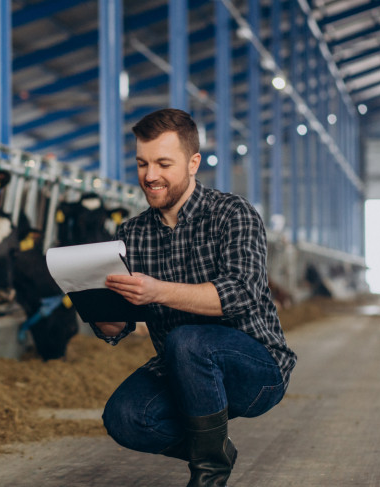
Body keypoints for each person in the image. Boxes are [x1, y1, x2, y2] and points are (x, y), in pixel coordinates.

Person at [92, 108, 296, 487]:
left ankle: (208, 476)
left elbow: (240, 293)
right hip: (182, 369)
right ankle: (214, 448)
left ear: (192, 163)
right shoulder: (131, 234)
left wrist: (156, 290)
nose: (150, 176)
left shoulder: (233, 214)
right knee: (124, 416)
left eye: (163, 164)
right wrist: (104, 316)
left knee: (187, 339)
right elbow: (118, 326)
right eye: (142, 163)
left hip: (255, 372)